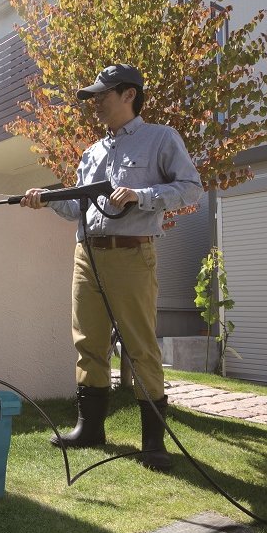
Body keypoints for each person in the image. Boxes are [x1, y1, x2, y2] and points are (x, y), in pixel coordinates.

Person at [20, 64, 203, 471]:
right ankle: (90, 430)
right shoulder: (92, 152)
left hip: (132, 255)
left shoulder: (161, 138)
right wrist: (46, 199)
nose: (96, 102)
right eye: (94, 96)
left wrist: (141, 195)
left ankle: (153, 443)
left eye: (102, 95)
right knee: (88, 342)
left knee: (140, 348)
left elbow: (191, 188)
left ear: (129, 94)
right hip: (87, 256)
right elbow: (78, 208)